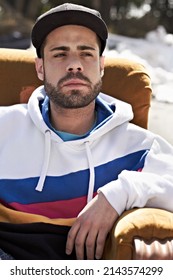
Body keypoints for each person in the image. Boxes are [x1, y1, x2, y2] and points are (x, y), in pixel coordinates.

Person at [0, 2, 173, 261]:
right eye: (60, 54)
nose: (75, 65)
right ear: (40, 67)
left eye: (86, 53)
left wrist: (118, 194)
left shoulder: (138, 146)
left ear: (101, 65)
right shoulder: (5, 127)